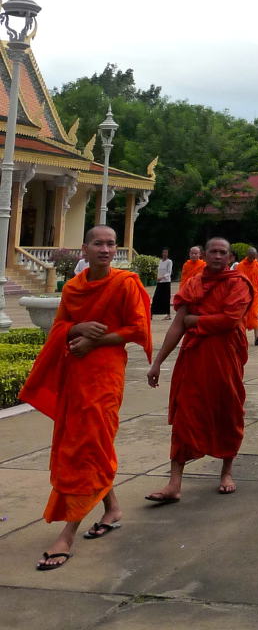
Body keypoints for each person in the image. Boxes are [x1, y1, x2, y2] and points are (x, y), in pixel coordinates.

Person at [20, 224, 152, 572]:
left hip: (105, 375)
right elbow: (62, 326)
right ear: (85, 249)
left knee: (89, 445)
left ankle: (67, 533)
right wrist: (78, 329)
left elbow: (138, 329)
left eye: (111, 244)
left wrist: (98, 340)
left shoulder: (125, 284)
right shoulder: (75, 288)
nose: (105, 249)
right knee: (84, 443)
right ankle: (112, 508)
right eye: (98, 244)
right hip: (77, 373)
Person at [145, 236, 254, 502]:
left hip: (225, 358)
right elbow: (178, 325)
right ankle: (174, 483)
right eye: (213, 252)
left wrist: (195, 319)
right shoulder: (194, 283)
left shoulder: (238, 283)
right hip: (193, 358)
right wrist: (158, 362)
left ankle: (226, 471)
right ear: (205, 254)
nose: (217, 256)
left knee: (227, 411)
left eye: (223, 252)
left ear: (229, 258)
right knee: (185, 415)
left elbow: (229, 320)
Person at [235, 247, 258, 346]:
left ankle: (257, 337)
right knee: (244, 317)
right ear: (247, 255)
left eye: (254, 257)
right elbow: (238, 281)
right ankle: (242, 338)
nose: (253, 259)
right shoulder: (240, 266)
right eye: (251, 257)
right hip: (244, 296)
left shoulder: (257, 265)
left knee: (254, 315)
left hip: (256, 295)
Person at [150, 248, 173, 319]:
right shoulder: (160, 261)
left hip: (166, 282)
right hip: (159, 282)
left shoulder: (169, 261)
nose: (165, 254)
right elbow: (159, 271)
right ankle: (151, 313)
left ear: (168, 254)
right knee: (156, 298)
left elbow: (169, 272)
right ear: (162, 253)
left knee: (166, 298)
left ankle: (168, 315)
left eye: (166, 253)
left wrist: (162, 277)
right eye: (164, 252)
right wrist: (157, 278)